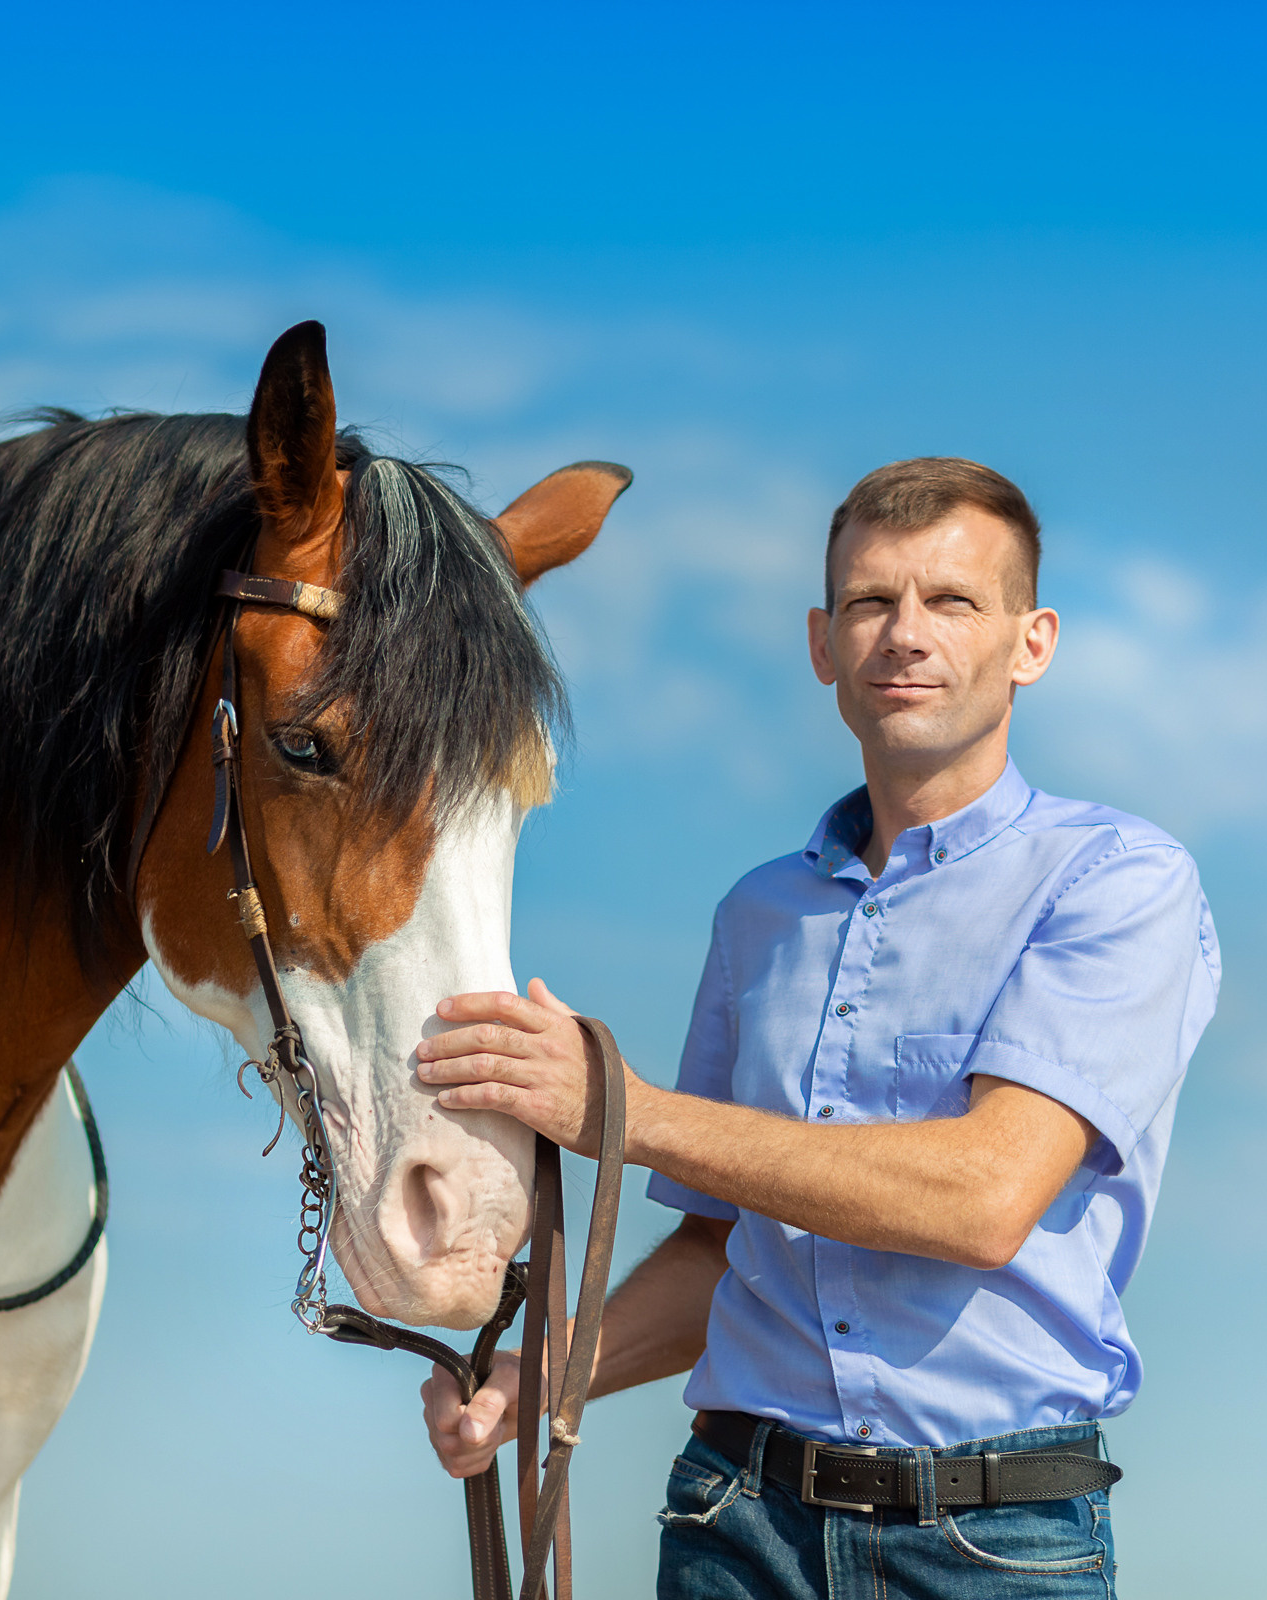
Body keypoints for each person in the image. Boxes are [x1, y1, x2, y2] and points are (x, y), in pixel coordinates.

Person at [415, 458, 1218, 1599]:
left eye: (951, 601)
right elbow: (719, 1250)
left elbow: (986, 1197)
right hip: (735, 1525)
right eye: (869, 602)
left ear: (1031, 642)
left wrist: (625, 1112)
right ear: (821, 644)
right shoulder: (758, 916)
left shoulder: (1119, 881)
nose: (904, 633)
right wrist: (534, 1378)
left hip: (993, 1545)